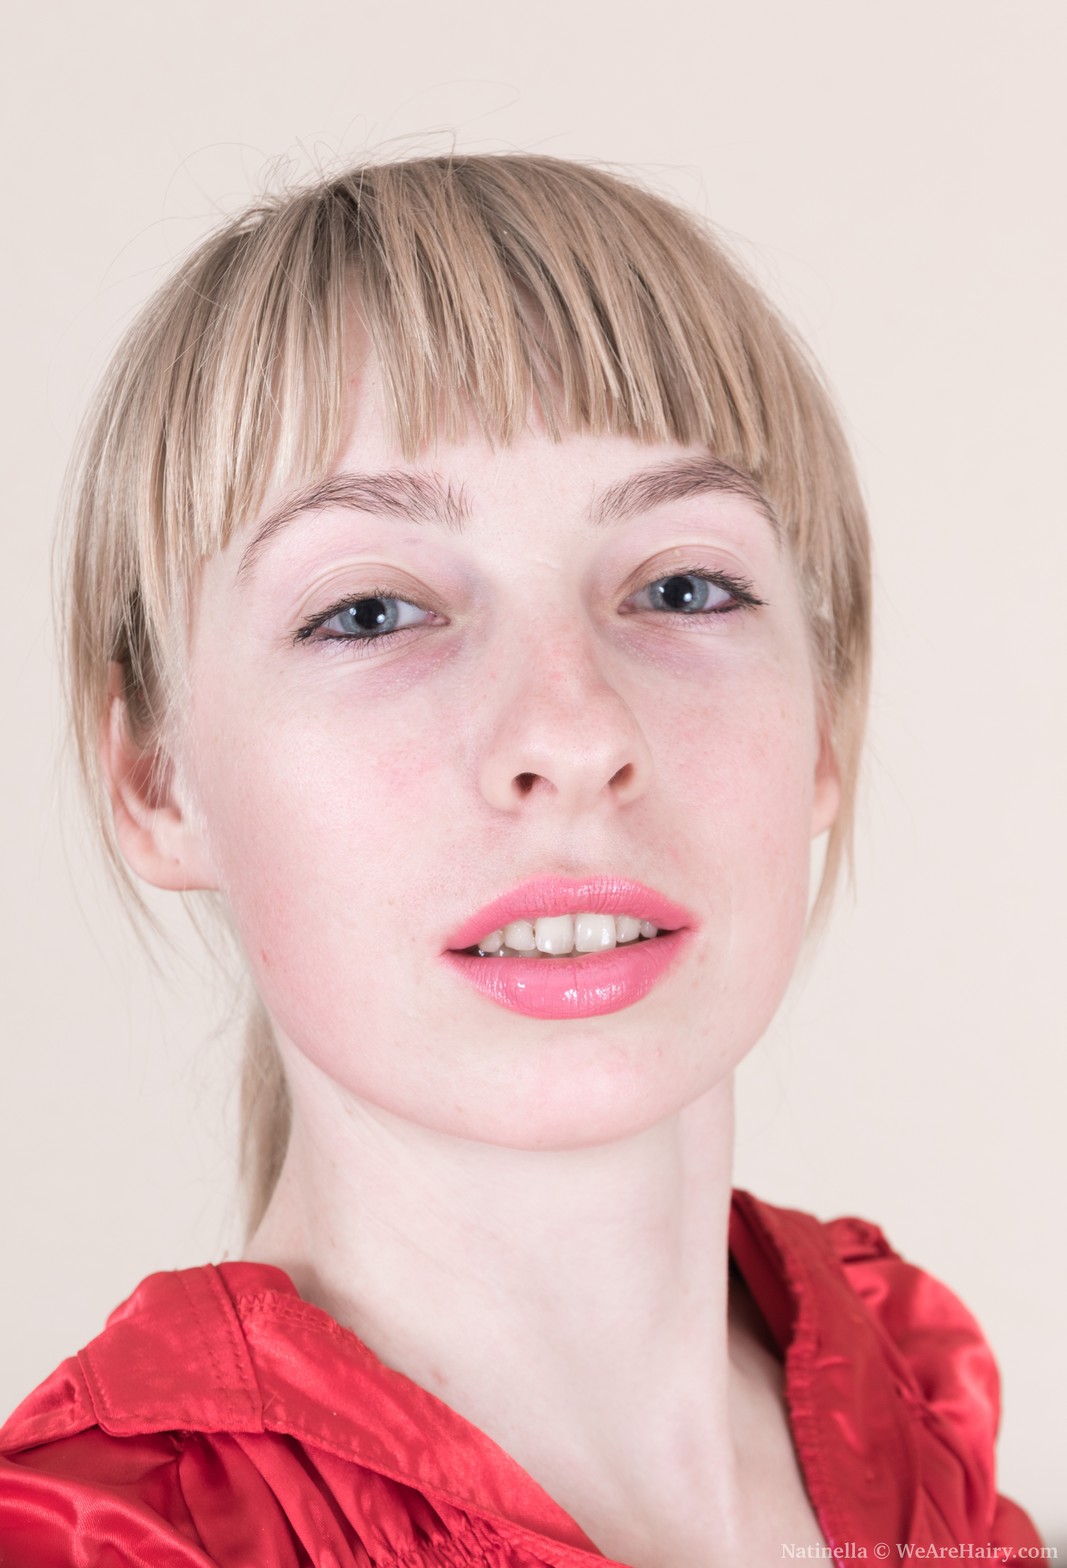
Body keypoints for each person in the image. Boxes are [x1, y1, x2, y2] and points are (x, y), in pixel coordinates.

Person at [0, 152, 1044, 1565]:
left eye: (685, 586)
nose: (574, 731)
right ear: (156, 779)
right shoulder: (90, 1539)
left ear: (826, 725)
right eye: (370, 612)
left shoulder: (912, 1412)